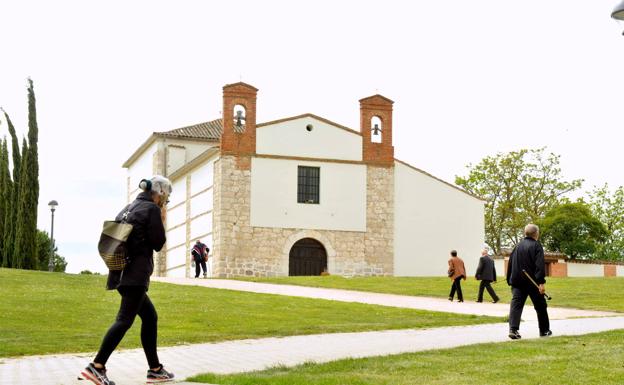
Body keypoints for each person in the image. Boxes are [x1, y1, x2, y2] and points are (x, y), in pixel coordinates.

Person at [81, 176, 175, 385]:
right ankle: (96, 366)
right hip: (135, 276)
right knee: (124, 320)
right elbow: (158, 243)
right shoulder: (151, 209)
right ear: (159, 193)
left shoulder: (129, 207)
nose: (164, 200)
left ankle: (155, 369)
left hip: (120, 273)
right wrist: (162, 217)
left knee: (150, 317)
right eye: (165, 197)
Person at [506, 224, 552, 340]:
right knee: (541, 306)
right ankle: (544, 330)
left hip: (517, 281)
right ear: (536, 234)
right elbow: (539, 266)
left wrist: (509, 280)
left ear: (525, 233)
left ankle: (513, 329)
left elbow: (510, 264)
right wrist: (541, 283)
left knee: (516, 305)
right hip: (533, 283)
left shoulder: (517, 246)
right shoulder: (536, 246)